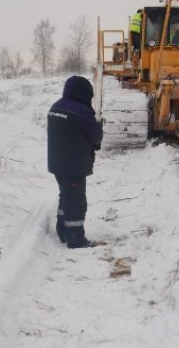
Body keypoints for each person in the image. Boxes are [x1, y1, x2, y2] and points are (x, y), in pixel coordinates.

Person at [47, 76, 104, 248]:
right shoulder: (82, 111)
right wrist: (98, 126)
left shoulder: (55, 107)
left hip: (57, 164)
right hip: (74, 165)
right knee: (76, 202)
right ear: (84, 93)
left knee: (65, 196)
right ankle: (76, 239)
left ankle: (63, 231)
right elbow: (96, 137)